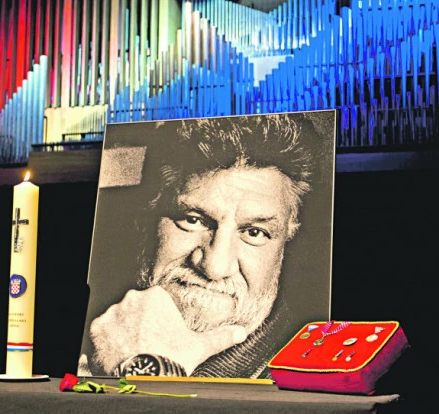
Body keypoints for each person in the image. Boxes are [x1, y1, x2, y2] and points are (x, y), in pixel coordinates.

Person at [78, 113, 323, 379]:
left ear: (287, 242)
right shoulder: (92, 338)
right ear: (145, 222)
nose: (214, 268)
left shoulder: (309, 378)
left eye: (254, 232)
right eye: (193, 220)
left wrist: (141, 366)